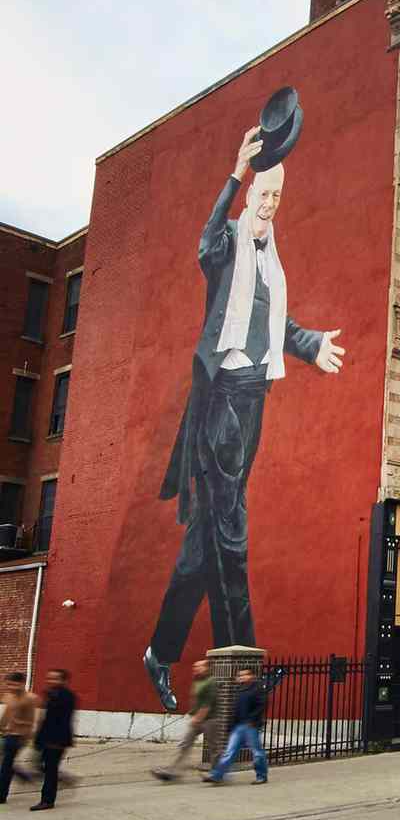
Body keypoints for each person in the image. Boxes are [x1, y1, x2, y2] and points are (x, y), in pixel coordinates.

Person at [143, 102, 346, 713]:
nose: (270, 203)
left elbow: (275, 325)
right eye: (264, 192)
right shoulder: (228, 244)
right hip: (220, 405)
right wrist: (232, 174)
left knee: (205, 543)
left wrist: (312, 345)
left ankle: (159, 650)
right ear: (251, 189)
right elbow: (203, 246)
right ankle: (245, 663)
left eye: (278, 197)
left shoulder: (269, 264)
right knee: (232, 531)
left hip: (254, 400)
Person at [152, 659, 216, 782]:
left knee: (214, 747)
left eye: (199, 666)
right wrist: (193, 713)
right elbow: (198, 701)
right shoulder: (198, 680)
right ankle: (173, 772)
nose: (196, 669)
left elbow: (207, 704)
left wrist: (197, 718)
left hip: (210, 720)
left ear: (207, 668)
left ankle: (217, 773)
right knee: (184, 744)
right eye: (195, 666)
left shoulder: (211, 682)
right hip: (197, 718)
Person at [204, 668, 268, 785]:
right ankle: (217, 775)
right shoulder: (240, 689)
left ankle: (262, 776)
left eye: (245, 675)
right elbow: (235, 710)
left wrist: (252, 720)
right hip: (238, 726)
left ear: (252, 676)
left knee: (257, 752)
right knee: (230, 752)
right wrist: (231, 725)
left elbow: (261, 706)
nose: (242, 677)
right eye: (240, 675)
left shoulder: (257, 689)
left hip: (251, 726)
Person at [31, 668, 76, 810]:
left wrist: (58, 742)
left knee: (50, 771)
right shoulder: (50, 694)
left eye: (55, 678)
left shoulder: (67, 697)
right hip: (45, 737)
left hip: (57, 740)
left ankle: (47, 801)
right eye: (49, 678)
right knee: (39, 765)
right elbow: (45, 718)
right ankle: (63, 778)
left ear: (63, 680)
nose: (51, 681)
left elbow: (63, 721)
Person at [1, 672, 38, 803]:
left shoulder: (30, 698)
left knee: (5, 764)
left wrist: (25, 737)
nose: (10, 687)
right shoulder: (9, 696)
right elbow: (6, 714)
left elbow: (31, 721)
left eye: (13, 684)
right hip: (7, 734)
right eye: (8, 684)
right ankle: (22, 775)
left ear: (22, 683)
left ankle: (2, 795)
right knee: (5, 762)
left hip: (18, 736)